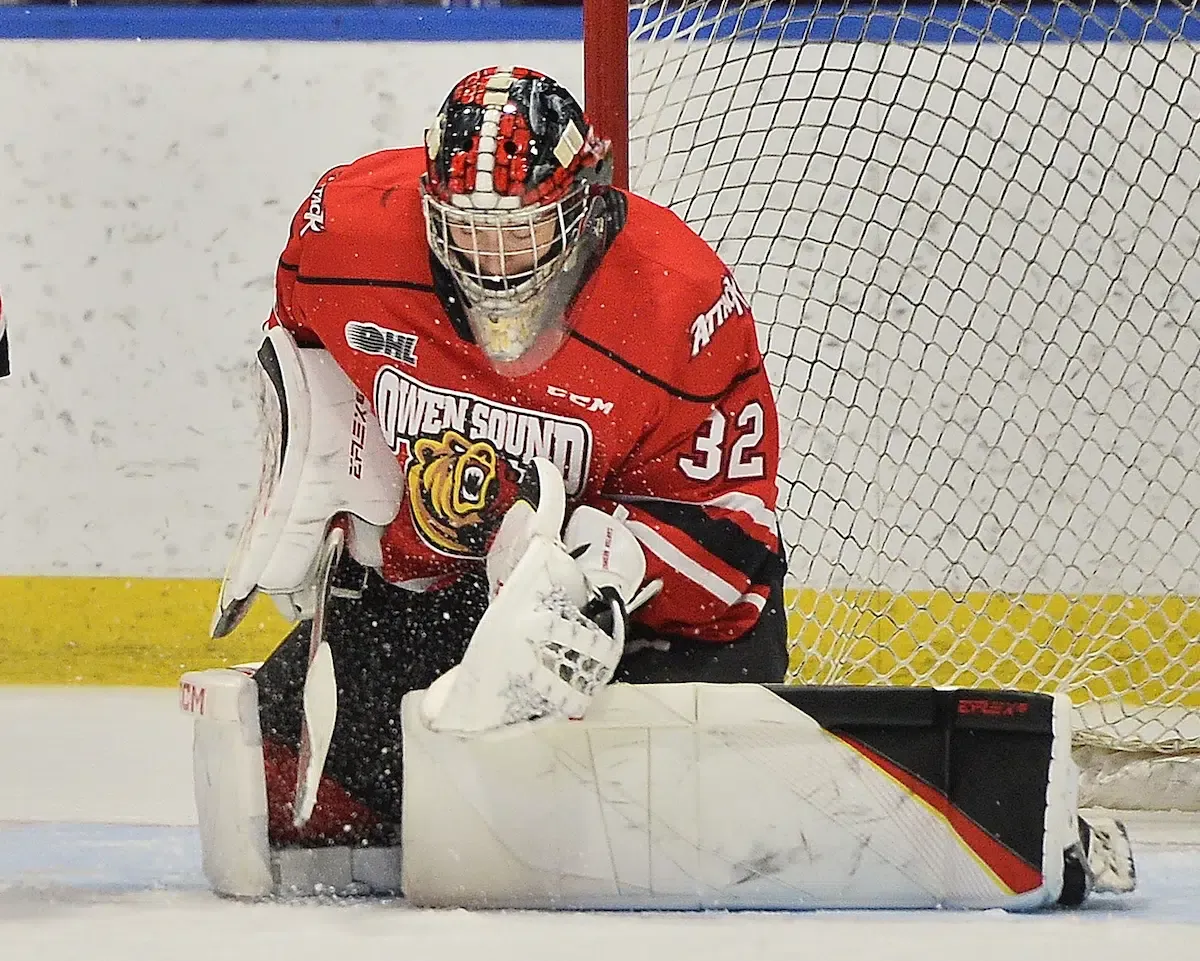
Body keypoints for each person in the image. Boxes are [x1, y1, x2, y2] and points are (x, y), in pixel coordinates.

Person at [216, 66, 788, 849]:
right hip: (448, 604)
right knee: (274, 785)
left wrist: (597, 572)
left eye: (521, 231)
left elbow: (737, 540)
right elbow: (303, 358)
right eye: (467, 231)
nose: (494, 265)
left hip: (648, 629)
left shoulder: (679, 302)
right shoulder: (345, 236)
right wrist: (367, 507)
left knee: (660, 831)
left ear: (582, 207)